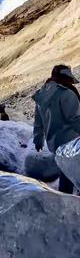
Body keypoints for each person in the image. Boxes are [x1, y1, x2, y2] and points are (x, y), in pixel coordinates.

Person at [33, 64, 80, 194]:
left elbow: (38, 120)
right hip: (70, 142)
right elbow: (74, 119)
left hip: (53, 142)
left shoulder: (43, 93)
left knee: (65, 172)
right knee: (72, 174)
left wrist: (38, 138)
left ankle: (66, 199)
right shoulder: (66, 93)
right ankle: (69, 206)